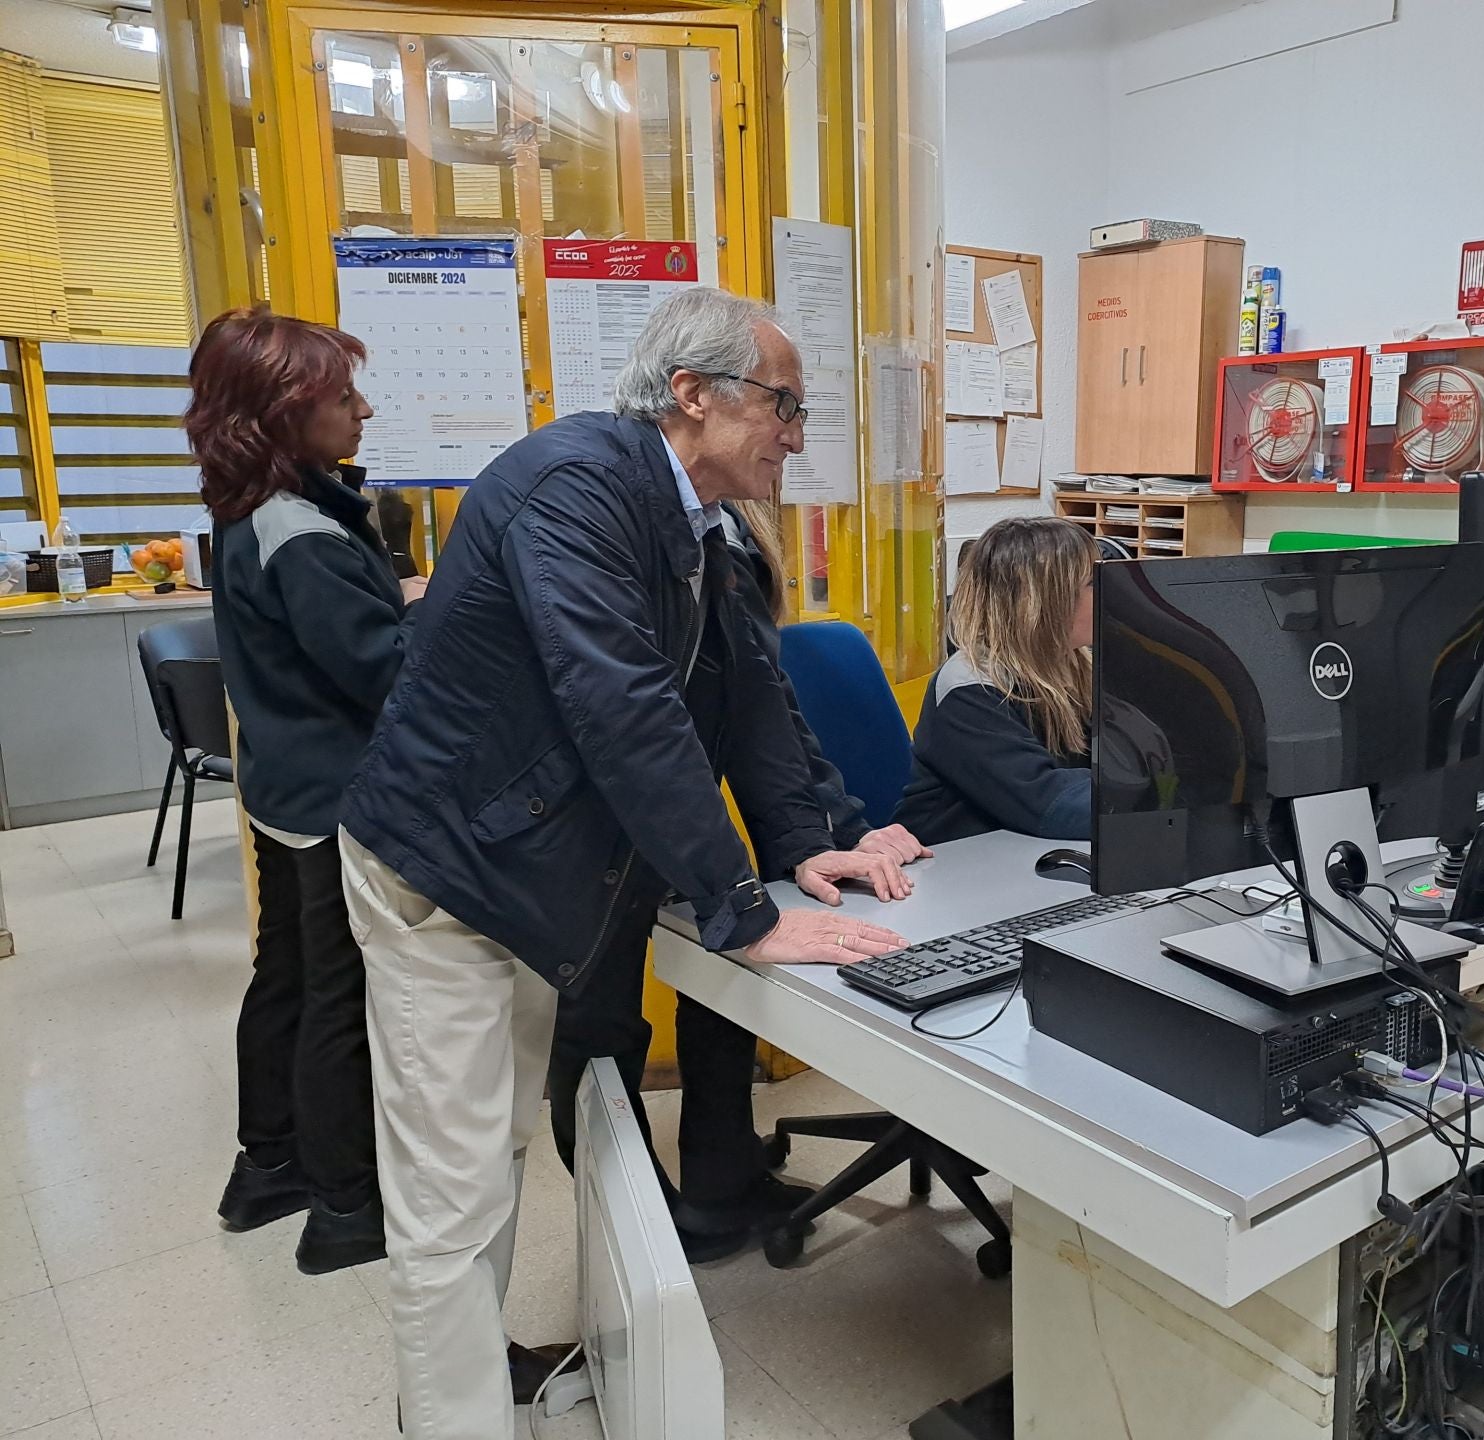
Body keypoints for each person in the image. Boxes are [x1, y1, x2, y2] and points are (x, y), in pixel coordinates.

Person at [337, 287, 911, 1440]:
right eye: (782, 406)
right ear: (692, 396)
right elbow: (623, 703)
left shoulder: (705, 526)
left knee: (504, 1145)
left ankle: (464, 1375)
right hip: (443, 872)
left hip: (536, 862)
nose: (797, 437)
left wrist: (809, 846)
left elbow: (753, 701)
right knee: (457, 1181)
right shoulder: (577, 486)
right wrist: (742, 912)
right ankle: (451, 1418)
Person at [543, 496, 931, 1250]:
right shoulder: (613, 526)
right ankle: (642, 1237)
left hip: (678, 803)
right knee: (596, 1027)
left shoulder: (728, 533)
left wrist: (838, 829)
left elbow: (767, 710)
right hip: (589, 817)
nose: (789, 436)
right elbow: (633, 723)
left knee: (720, 978)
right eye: (778, 407)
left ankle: (722, 1187)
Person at [183, 306, 422, 1274]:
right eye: (339, 397)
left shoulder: (253, 507)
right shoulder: (299, 529)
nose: (361, 409)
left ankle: (267, 1165)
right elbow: (382, 670)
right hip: (333, 800)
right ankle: (345, 1207)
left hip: (280, 786)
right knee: (341, 994)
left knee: (283, 973)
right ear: (284, 414)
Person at [893, 516, 1099, 845]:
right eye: (1093, 582)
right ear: (1043, 601)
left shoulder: (1078, 666)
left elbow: (1130, 758)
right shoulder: (969, 688)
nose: (1109, 591)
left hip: (1025, 850)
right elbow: (1045, 802)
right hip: (954, 867)